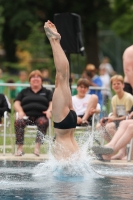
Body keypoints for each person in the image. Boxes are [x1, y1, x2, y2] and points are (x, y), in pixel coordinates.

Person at [44, 20, 79, 159]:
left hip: (69, 125)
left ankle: (55, 41)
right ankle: (54, 40)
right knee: (62, 79)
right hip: (65, 131)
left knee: (62, 78)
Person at [14, 69, 53, 156]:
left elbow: (52, 103)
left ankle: (37, 148)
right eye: (33, 77)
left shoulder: (47, 92)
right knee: (18, 122)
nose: (35, 79)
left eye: (38, 77)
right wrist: (20, 111)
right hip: (26, 116)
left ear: (41, 80)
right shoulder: (24, 91)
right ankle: (20, 148)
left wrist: (49, 110)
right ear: (30, 80)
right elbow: (16, 103)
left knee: (43, 122)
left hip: (41, 116)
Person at [96, 75, 133, 159]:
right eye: (114, 84)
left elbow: (126, 116)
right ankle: (111, 145)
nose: (116, 85)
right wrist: (108, 119)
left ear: (123, 85)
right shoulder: (114, 98)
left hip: (125, 118)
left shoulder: (128, 97)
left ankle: (116, 150)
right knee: (99, 126)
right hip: (120, 120)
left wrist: (112, 119)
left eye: (118, 84)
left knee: (110, 127)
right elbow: (115, 114)